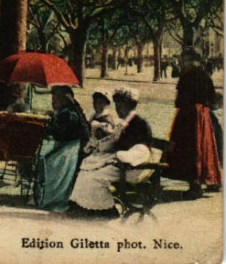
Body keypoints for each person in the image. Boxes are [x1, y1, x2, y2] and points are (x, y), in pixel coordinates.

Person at [69, 87, 153, 218]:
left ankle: (107, 210)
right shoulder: (123, 123)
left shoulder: (139, 123)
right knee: (84, 174)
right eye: (117, 104)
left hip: (132, 167)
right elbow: (115, 142)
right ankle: (87, 207)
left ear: (130, 105)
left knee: (94, 178)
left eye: (121, 104)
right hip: (120, 164)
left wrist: (121, 155)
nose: (118, 107)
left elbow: (142, 150)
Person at [163, 50, 222, 197]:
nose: (185, 63)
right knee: (205, 147)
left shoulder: (186, 77)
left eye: (187, 60)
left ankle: (195, 184)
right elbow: (213, 100)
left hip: (189, 116)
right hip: (202, 115)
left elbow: (178, 100)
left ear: (194, 61)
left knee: (191, 149)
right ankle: (211, 180)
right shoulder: (205, 76)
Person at [33, 86, 90, 212]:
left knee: (49, 163)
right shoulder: (65, 111)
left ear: (64, 99)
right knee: (44, 157)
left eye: (56, 98)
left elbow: (60, 134)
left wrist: (48, 125)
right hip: (66, 146)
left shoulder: (70, 114)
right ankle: (45, 196)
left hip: (71, 150)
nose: (53, 101)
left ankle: (53, 199)